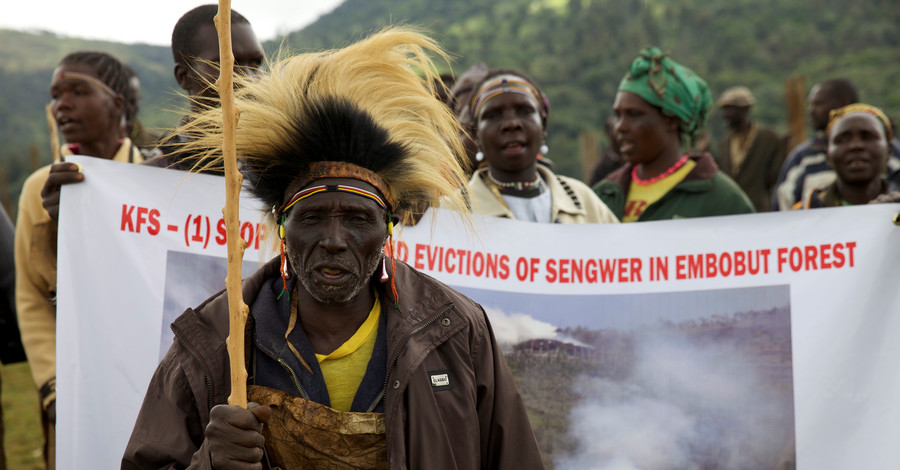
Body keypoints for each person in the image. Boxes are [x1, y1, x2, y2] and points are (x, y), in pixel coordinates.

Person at [122, 28, 543, 469]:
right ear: (282, 227)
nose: (335, 241)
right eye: (313, 217)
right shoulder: (213, 341)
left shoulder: (455, 331)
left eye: (359, 220)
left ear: (389, 228)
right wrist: (210, 462)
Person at [15, 50, 143, 470]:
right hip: (76, 392)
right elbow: (31, 296)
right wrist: (55, 387)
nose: (61, 104)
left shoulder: (156, 181)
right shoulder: (40, 189)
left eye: (78, 91)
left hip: (148, 385)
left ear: (118, 105)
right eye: (55, 94)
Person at [592, 48, 754, 222]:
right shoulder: (603, 195)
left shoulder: (723, 200)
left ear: (671, 120)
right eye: (618, 115)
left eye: (634, 114)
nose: (620, 127)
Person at [465, 68, 618, 224]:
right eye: (492, 115)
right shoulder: (452, 212)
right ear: (476, 133)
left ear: (543, 125)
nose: (511, 124)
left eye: (525, 111)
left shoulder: (584, 202)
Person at [143, 4, 264, 172]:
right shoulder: (150, 178)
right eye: (225, 64)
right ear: (183, 77)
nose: (248, 79)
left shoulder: (287, 170)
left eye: (255, 64)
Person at [795, 104, 900, 208]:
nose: (856, 146)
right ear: (828, 156)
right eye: (842, 139)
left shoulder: (895, 207)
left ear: (889, 151)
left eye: (867, 137)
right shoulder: (803, 216)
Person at [714, 86, 785, 212]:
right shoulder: (725, 143)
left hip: (759, 211)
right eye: (724, 110)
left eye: (730, 109)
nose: (725, 115)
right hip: (730, 211)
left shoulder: (768, 138)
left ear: (744, 109)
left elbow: (776, 176)